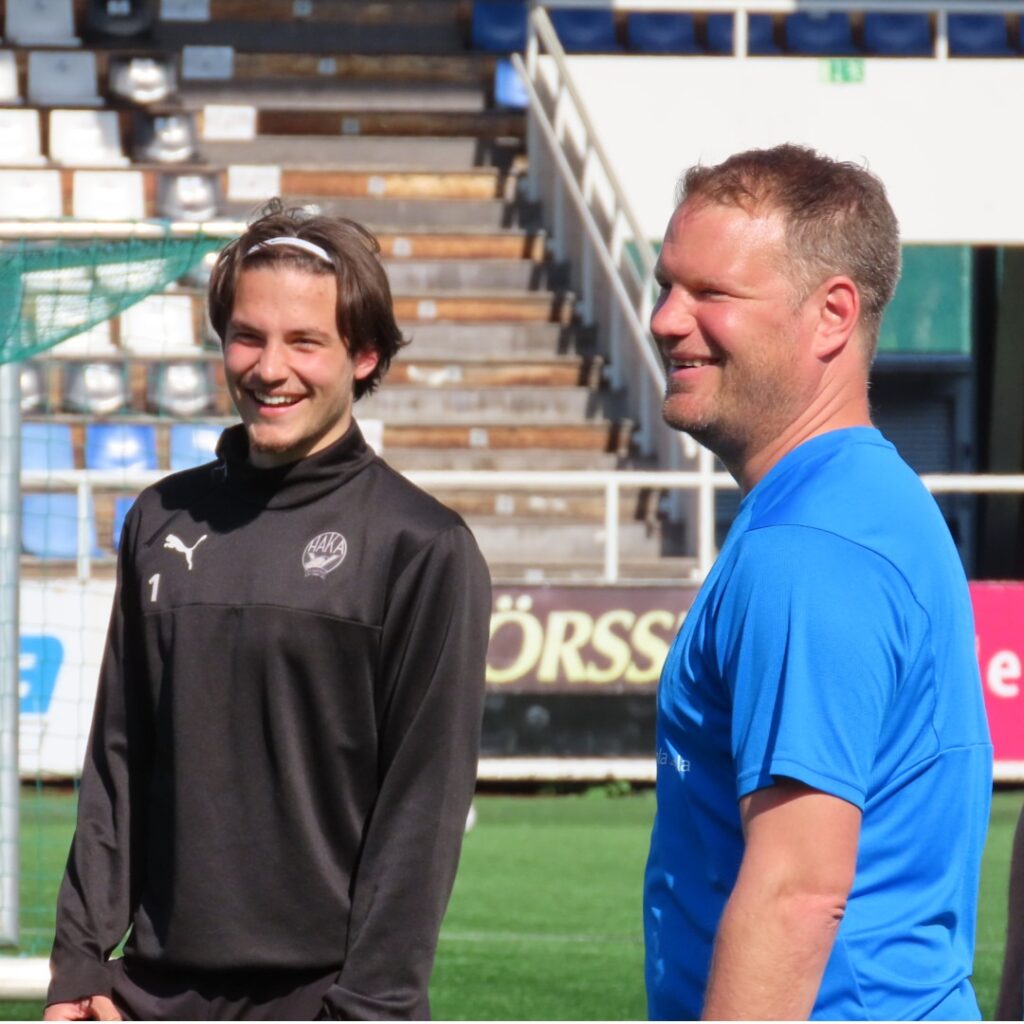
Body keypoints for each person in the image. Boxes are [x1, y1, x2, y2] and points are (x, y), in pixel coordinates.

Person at [44, 201, 492, 1021]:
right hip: (149, 995)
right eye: (247, 337)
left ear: (363, 355)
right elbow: (119, 755)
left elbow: (421, 812)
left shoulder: (422, 546)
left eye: (305, 342)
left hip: (325, 1001)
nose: (269, 368)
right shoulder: (160, 520)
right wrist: (79, 959)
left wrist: (372, 1006)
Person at [642, 144, 992, 1020]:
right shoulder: (860, 502)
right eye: (665, 285)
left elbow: (796, 894)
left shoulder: (812, 545)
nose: (666, 319)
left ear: (832, 314)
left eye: (711, 293)